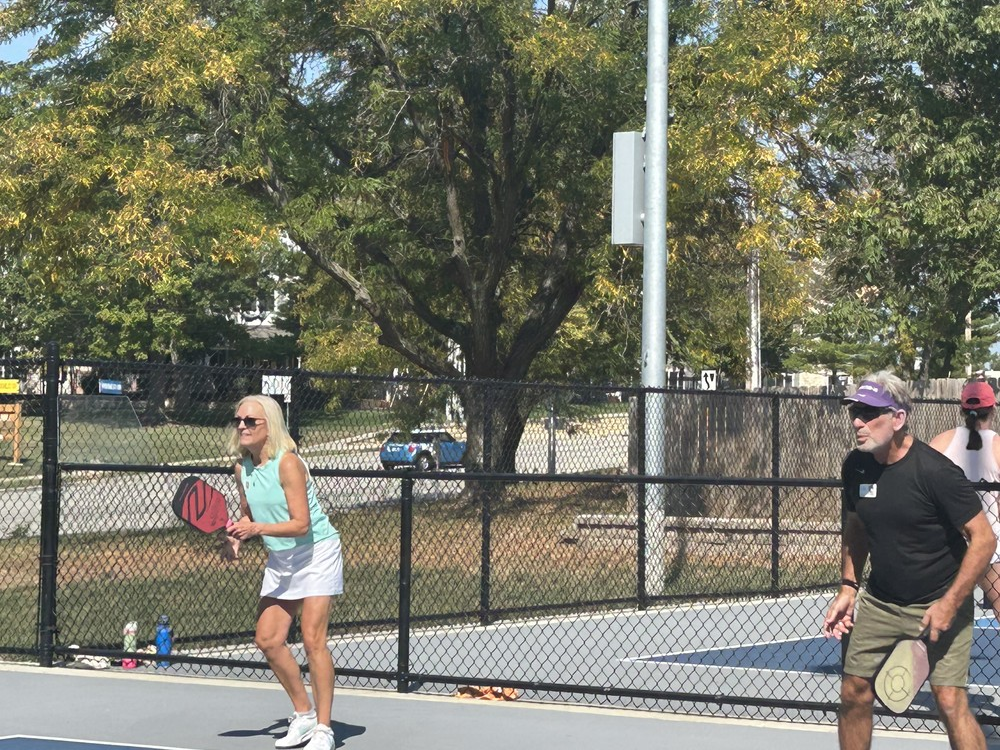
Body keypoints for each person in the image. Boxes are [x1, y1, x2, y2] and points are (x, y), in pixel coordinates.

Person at [822, 371, 995, 750]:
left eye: (869, 413)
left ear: (898, 418)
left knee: (949, 700)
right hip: (880, 602)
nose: (858, 422)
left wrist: (950, 603)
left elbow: (984, 539)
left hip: (939, 601)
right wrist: (848, 587)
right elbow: (856, 528)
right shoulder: (856, 466)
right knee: (853, 691)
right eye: (855, 412)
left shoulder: (936, 472)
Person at [226, 394, 343, 750]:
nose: (242, 426)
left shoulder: (288, 463)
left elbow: (301, 523)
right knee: (268, 639)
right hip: (282, 557)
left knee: (312, 639)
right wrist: (236, 538)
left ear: (270, 425)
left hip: (317, 552)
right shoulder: (242, 469)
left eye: (251, 421)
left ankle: (324, 729)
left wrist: (256, 529)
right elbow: (247, 514)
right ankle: (304, 714)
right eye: (239, 420)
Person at [929, 380, 1000, 620]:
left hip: (947, 541)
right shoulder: (997, 445)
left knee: (937, 608)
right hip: (987, 542)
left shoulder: (941, 442)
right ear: (993, 408)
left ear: (961, 409)